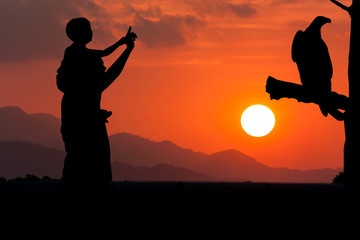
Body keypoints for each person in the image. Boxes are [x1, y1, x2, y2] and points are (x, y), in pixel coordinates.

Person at [56, 17, 136, 239]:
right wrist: (126, 48)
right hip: (87, 126)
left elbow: (104, 69)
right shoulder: (82, 58)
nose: (92, 32)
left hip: (81, 121)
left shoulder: (74, 61)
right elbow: (107, 72)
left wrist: (124, 47)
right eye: (89, 29)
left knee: (78, 173)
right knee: (91, 178)